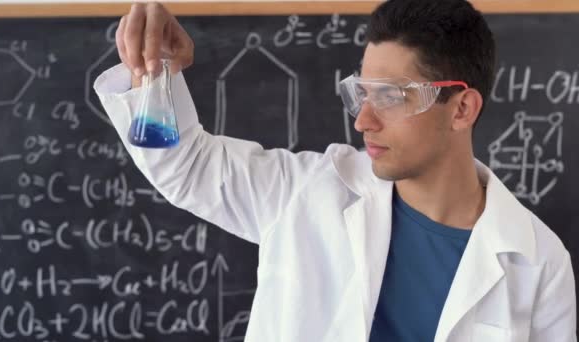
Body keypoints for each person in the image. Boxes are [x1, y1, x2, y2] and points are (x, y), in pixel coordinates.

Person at [94, 1, 577, 341]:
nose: (363, 120)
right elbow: (187, 165)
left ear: (461, 108)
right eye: (361, 93)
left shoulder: (536, 262)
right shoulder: (307, 192)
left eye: (389, 96)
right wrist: (153, 72)